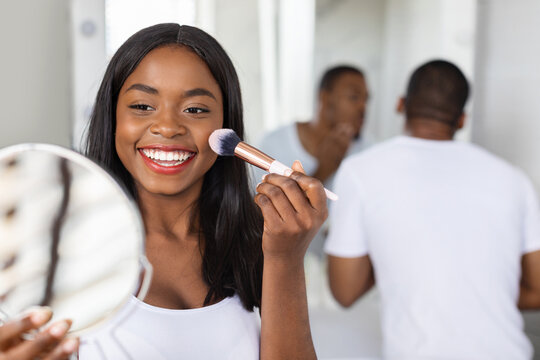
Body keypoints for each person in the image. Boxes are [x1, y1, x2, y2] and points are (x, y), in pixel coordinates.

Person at [75, 23, 326, 359]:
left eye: (195, 110)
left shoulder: (257, 244)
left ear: (226, 125)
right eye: (142, 106)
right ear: (112, 117)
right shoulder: (65, 246)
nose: (168, 127)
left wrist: (284, 258)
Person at [325, 59, 540, 359]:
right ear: (462, 119)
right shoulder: (514, 179)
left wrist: (397, 254)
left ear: (401, 104)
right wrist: (474, 289)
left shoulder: (360, 172)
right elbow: (537, 289)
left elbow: (344, 291)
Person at [256, 65, 372, 187]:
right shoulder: (272, 145)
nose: (363, 107)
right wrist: (323, 171)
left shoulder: (368, 151)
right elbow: (258, 204)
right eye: (354, 97)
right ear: (325, 98)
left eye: (366, 99)